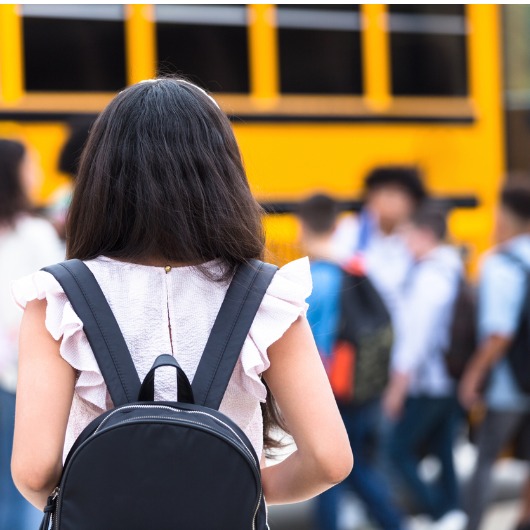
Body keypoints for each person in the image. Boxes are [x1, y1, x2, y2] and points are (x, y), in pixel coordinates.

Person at [10, 78, 353, 513]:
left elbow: (34, 471)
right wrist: (236, 487)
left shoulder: (59, 300)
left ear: (100, 176)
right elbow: (330, 460)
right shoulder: (267, 299)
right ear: (223, 173)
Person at [299, 194, 404, 530]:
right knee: (352, 464)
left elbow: (315, 345)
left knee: (330, 469)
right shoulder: (355, 266)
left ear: (303, 226)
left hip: (334, 389)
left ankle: (392, 523)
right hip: (363, 383)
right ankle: (394, 522)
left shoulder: (318, 278)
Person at [383, 205, 467, 530]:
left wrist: (397, 388)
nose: (404, 243)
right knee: (443, 449)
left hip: (429, 382)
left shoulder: (430, 276)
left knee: (396, 450)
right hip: (449, 378)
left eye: (408, 235)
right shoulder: (452, 268)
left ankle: (437, 512)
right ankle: (452, 511)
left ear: (426, 234)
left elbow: (415, 339)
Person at [0, 139, 64, 530]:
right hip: (18, 376)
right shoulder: (35, 234)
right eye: (31, 165)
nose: (36, 174)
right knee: (23, 486)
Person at [460, 181, 530, 530]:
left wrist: (472, 377)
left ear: (503, 217)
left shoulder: (501, 263)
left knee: (486, 457)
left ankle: (473, 524)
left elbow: (499, 333)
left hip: (509, 384)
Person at [331, 166, 427, 320]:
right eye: (387, 194)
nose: (393, 202)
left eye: (400, 195)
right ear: (371, 198)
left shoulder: (420, 239)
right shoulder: (351, 231)